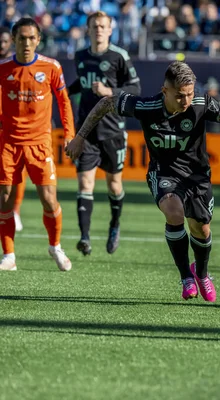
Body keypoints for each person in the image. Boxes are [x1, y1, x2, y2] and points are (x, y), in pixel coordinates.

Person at [66, 61, 220, 301]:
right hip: (163, 172)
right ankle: (185, 276)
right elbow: (105, 103)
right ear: (165, 91)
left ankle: (201, 274)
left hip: (197, 176)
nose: (186, 101)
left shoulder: (200, 103)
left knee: (201, 228)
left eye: (190, 94)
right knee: (174, 213)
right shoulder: (146, 106)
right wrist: (80, 137)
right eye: (180, 96)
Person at [0, 18, 75, 271]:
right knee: (5, 199)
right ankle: (9, 256)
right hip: (9, 143)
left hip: (40, 143)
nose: (27, 42)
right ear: (14, 40)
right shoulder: (3, 67)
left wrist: (69, 134)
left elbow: (63, 101)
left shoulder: (51, 67)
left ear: (39, 39)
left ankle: (55, 246)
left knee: (49, 199)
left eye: (32, 38)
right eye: (22, 38)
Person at [67, 11, 141, 256]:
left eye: (103, 26)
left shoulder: (119, 56)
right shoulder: (80, 56)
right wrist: (63, 93)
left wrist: (111, 91)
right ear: (88, 30)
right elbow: (80, 83)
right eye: (94, 26)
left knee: (114, 184)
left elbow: (135, 88)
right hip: (85, 130)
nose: (99, 30)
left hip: (112, 130)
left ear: (110, 30)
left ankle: (114, 223)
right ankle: (85, 238)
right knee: (85, 182)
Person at [0, 26, 25, 232]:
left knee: (17, 171)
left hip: (13, 126)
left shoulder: (16, 66)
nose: (1, 44)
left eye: (5, 40)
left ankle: (15, 210)